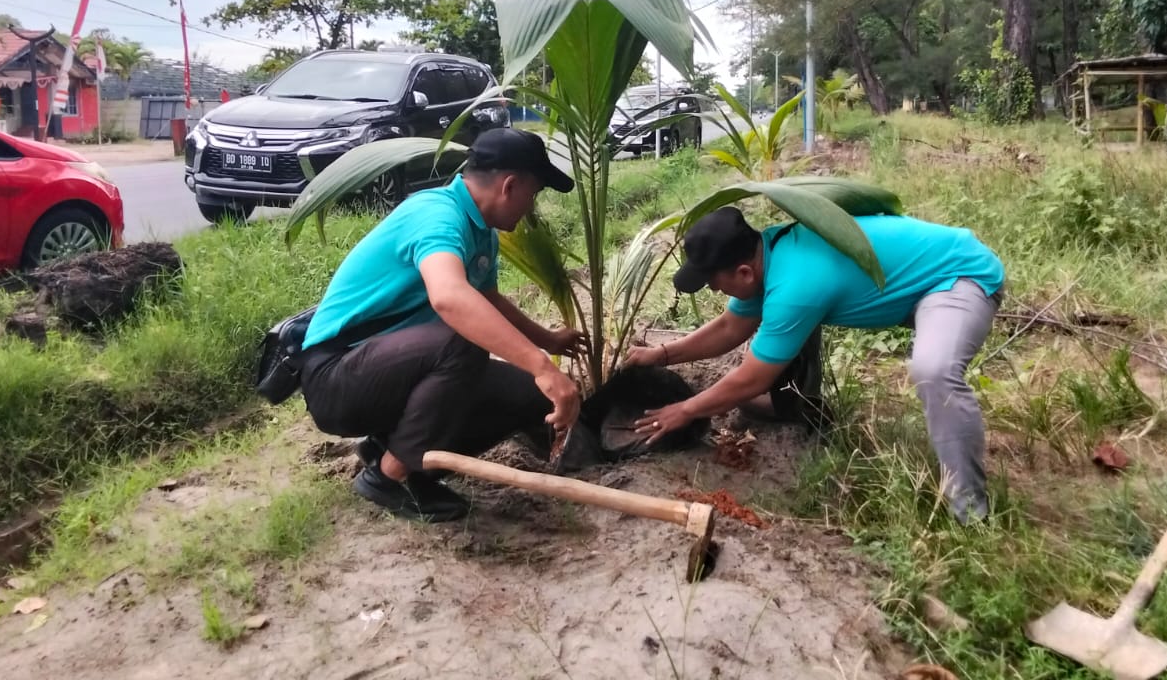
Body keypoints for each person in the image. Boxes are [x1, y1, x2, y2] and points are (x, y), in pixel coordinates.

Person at [626, 206, 1004, 522]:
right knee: (778, 338)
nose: (715, 291)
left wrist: (685, 410)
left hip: (957, 276)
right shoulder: (770, 254)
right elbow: (729, 327)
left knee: (933, 370)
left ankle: (969, 511)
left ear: (744, 272)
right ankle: (798, 407)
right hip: (916, 286)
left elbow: (753, 379)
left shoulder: (796, 284)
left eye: (715, 284)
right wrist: (661, 355)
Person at [300, 128, 584, 522]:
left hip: (390, 369)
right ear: (510, 186)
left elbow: (487, 300)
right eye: (532, 195)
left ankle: (406, 459)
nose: (530, 207)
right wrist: (541, 365)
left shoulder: (479, 229)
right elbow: (449, 297)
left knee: (528, 396)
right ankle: (388, 477)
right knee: (462, 343)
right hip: (336, 375)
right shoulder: (437, 215)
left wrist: (547, 341)